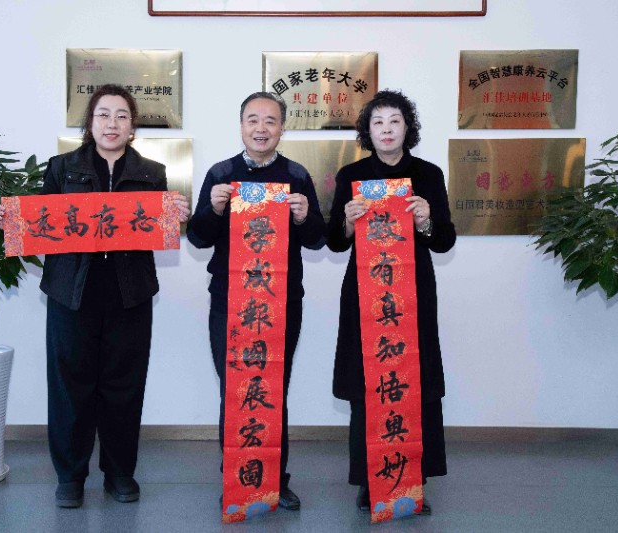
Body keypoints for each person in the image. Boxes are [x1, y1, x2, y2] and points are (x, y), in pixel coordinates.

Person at [0, 84, 190, 508]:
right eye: (103, 114)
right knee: (70, 386)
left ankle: (120, 473)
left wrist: (176, 215)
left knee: (124, 385)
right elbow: (42, 220)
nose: (112, 123)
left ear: (132, 126)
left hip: (129, 292)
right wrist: (10, 219)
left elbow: (155, 226)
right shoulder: (62, 168)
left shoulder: (152, 172)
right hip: (71, 291)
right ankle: (70, 476)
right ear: (90, 123)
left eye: (121, 116)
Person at [186, 92, 327, 511]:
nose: (261, 128)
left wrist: (304, 216)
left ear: (282, 128)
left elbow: (318, 240)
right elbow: (197, 238)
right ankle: (236, 478)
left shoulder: (296, 175)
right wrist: (212, 210)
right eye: (252, 120)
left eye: (270, 121)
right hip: (230, 302)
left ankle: (275, 481)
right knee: (236, 390)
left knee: (272, 389)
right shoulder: (221, 173)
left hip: (281, 303)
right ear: (241, 126)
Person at [326, 89, 456, 514]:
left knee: (413, 380)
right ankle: (370, 480)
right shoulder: (351, 174)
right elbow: (334, 241)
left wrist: (426, 220)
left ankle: (413, 479)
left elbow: (444, 240)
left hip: (412, 294)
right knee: (369, 381)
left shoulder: (428, 174)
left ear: (407, 128)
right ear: (368, 130)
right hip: (365, 294)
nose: (386, 129)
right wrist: (348, 222)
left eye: (394, 121)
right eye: (378, 122)